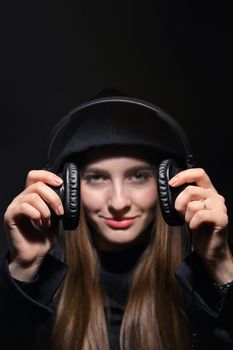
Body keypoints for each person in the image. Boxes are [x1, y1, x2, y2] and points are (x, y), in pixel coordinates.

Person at [0, 92, 233, 350]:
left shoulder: (201, 285)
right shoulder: (40, 287)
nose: (119, 203)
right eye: (96, 178)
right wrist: (24, 269)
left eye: (139, 176)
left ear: (170, 185)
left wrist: (220, 265)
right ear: (67, 190)